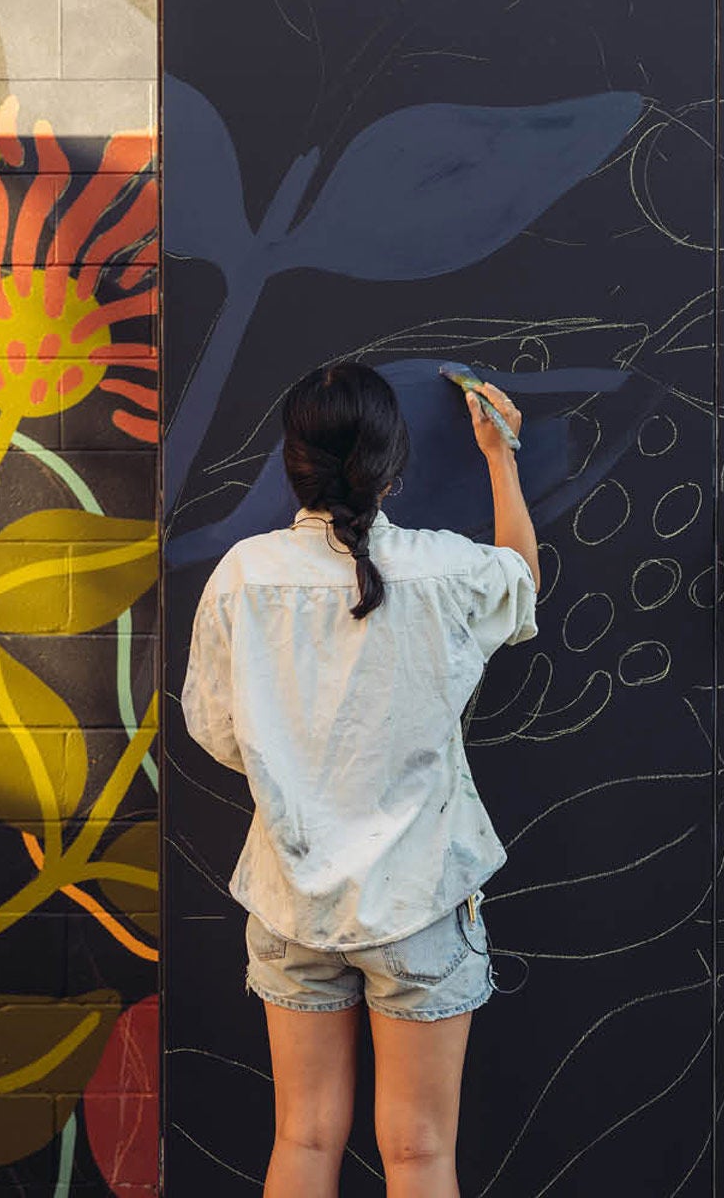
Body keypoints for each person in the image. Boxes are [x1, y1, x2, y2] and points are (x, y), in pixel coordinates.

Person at [182, 360, 541, 1198]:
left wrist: (292, 771)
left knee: (303, 1141)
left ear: (292, 462)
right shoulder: (445, 571)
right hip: (418, 903)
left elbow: (213, 726)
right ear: (391, 467)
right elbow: (523, 584)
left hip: (291, 902)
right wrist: (500, 457)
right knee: (420, 1155)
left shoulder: (244, 576)